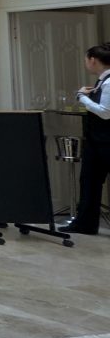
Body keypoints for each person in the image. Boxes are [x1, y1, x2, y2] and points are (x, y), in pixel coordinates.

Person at [59, 44, 110, 236]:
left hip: (105, 140)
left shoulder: (108, 83)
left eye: (86, 59)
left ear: (93, 60)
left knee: (91, 180)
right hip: (96, 140)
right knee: (89, 180)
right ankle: (85, 223)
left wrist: (81, 97)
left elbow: (105, 112)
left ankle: (85, 223)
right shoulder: (102, 82)